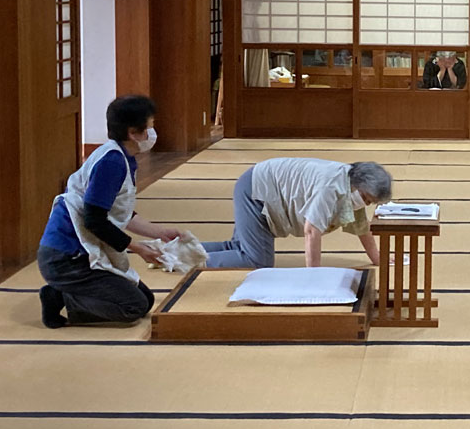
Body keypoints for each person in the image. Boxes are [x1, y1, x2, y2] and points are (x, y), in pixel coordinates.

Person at [37, 95, 182, 328]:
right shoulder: (111, 162)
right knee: (133, 307)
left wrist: (159, 232)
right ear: (133, 132)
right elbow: (95, 219)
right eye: (149, 127)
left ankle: (70, 294)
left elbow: (117, 211)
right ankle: (61, 297)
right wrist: (137, 248)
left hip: (81, 250)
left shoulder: (121, 156)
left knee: (145, 300)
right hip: (67, 257)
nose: (152, 133)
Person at [201, 158, 393, 269]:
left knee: (239, 247)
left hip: (258, 184)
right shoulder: (331, 185)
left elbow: (361, 228)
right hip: (255, 191)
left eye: (370, 202)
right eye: (366, 198)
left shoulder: (351, 187)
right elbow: (312, 230)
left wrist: (377, 259)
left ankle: (186, 249)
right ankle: (189, 260)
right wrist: (313, 277)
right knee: (257, 260)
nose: (366, 204)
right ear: (358, 185)